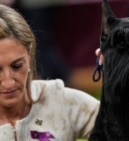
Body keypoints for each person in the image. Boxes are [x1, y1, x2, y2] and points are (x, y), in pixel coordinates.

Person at [0, 4, 99, 141]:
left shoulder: (56, 101)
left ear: (29, 57)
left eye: (17, 66)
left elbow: (125, 126)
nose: (8, 81)